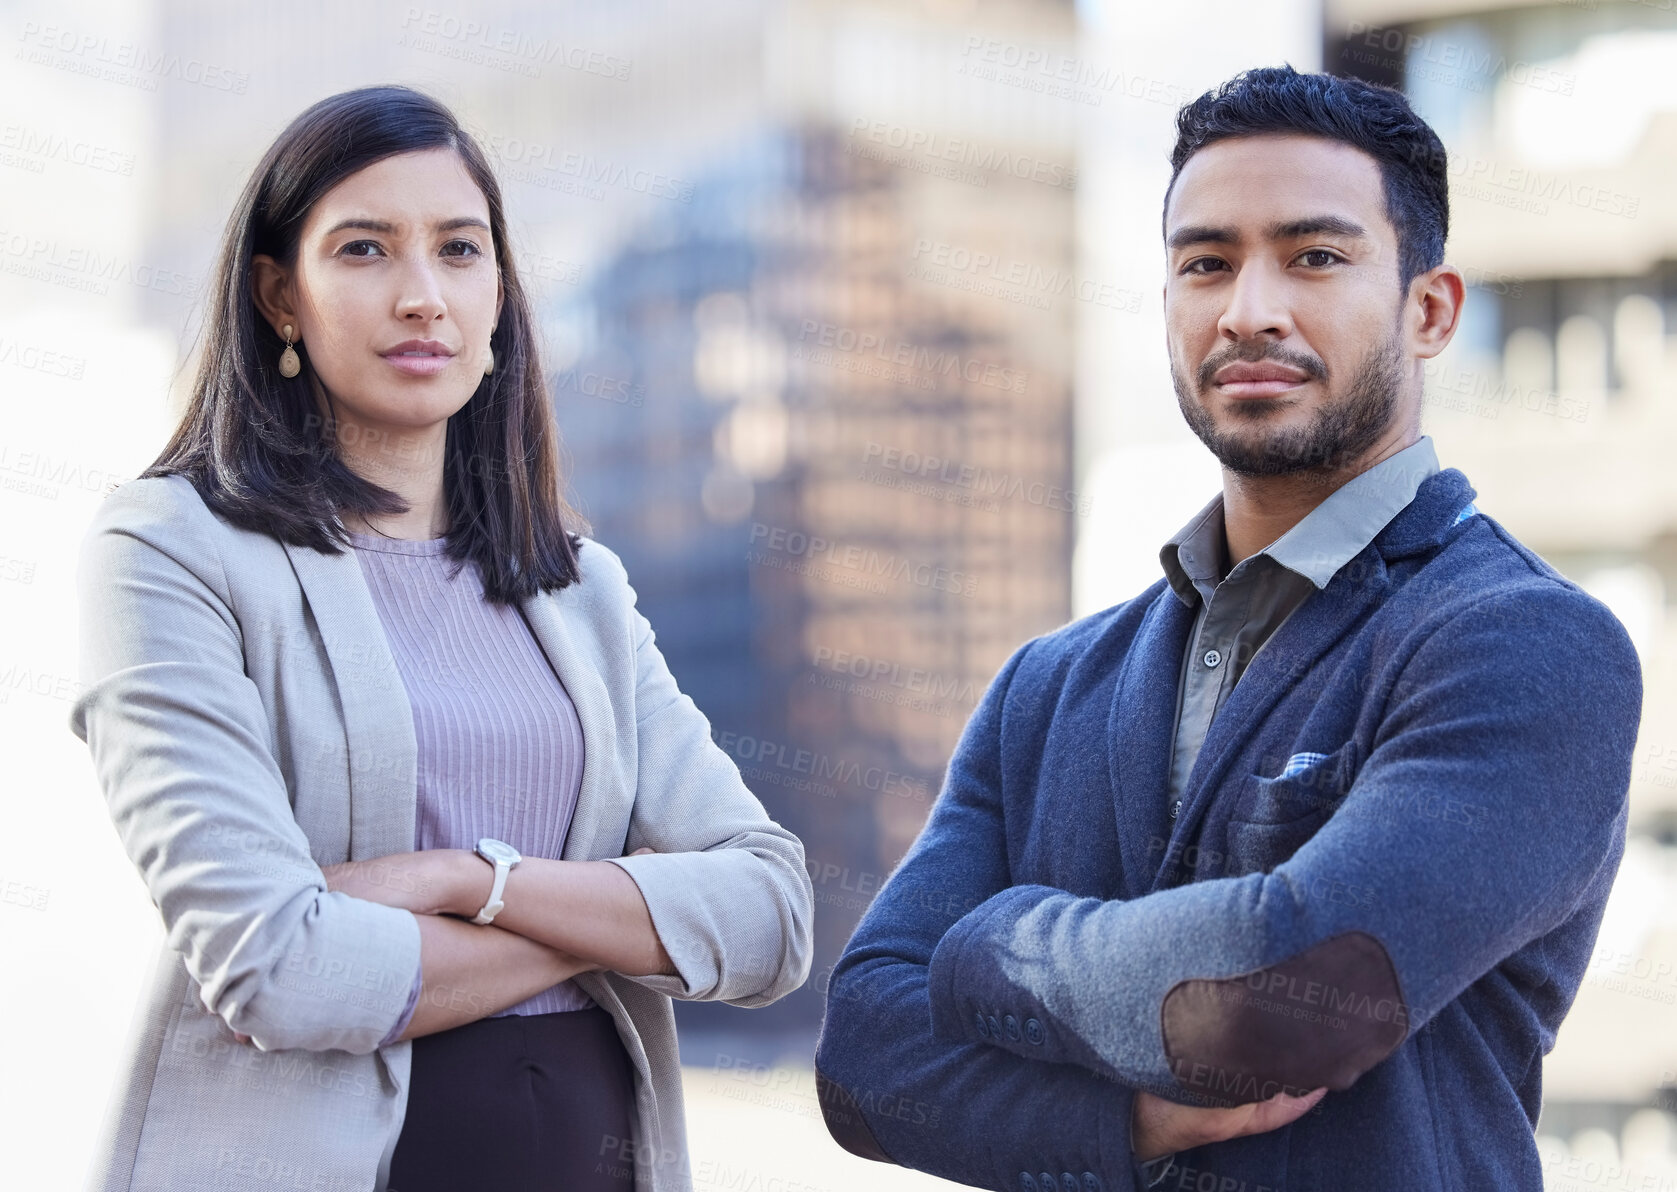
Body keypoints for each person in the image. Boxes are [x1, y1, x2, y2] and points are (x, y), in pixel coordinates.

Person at [814, 64, 1643, 1192]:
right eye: (1206, 262)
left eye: (1315, 256)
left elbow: (1286, 997)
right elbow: (865, 1055)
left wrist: (990, 937)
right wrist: (1131, 1121)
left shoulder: (1526, 645)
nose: (1249, 308)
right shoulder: (1049, 684)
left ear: (1430, 308)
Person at [68, 84, 813, 1192]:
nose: (423, 296)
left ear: (500, 294)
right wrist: (620, 917)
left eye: (459, 251)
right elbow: (278, 968)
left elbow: (771, 916)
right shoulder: (171, 551)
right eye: (365, 249)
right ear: (280, 295)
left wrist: (465, 878)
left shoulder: (581, 590)